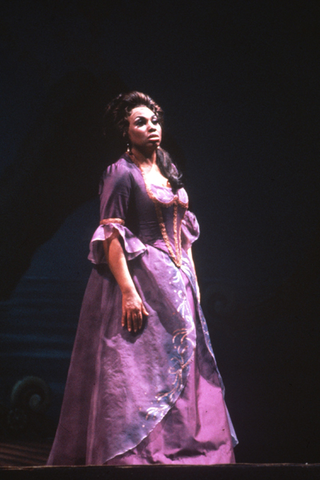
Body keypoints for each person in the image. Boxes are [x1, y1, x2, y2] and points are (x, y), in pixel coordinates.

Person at [47, 91, 238, 465]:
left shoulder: (168, 171)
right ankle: (137, 455)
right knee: (141, 368)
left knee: (181, 362)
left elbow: (184, 234)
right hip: (141, 280)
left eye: (154, 121)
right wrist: (128, 292)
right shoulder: (121, 173)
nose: (151, 127)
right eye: (140, 122)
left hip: (176, 283)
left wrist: (193, 281)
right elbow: (111, 236)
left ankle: (181, 449)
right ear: (125, 131)